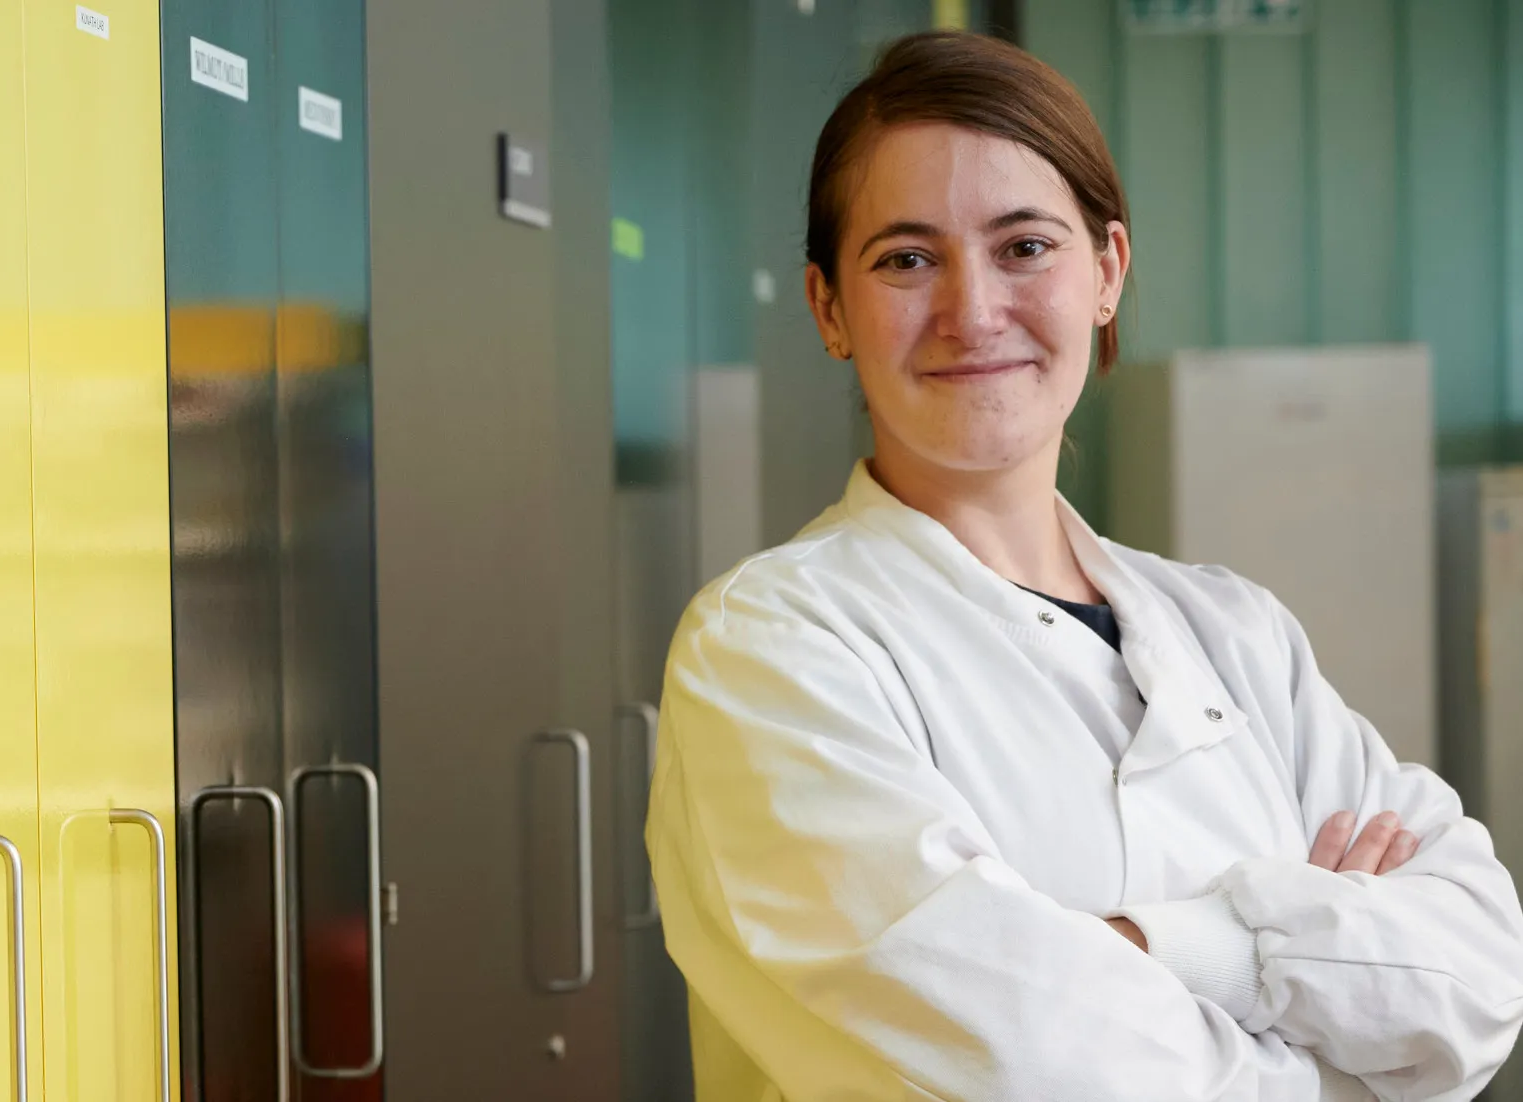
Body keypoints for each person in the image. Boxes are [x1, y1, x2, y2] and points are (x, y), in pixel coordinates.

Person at [645, 31, 1523, 1101]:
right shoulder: (767, 649)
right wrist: (1326, 1003)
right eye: (906, 259)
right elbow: (1027, 1071)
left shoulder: (1235, 632)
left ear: (1106, 272)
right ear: (830, 307)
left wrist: (1147, 950)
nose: (973, 310)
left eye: (1024, 246)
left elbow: (1480, 970)